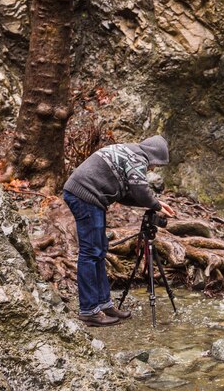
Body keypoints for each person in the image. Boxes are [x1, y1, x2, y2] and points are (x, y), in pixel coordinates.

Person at [63, 135, 176, 327]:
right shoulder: (136, 158)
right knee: (91, 253)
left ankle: (104, 304)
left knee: (99, 252)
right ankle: (89, 310)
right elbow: (140, 190)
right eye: (156, 164)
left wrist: (156, 204)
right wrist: (156, 205)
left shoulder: (129, 152)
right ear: (154, 156)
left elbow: (125, 195)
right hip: (85, 196)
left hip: (90, 197)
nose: (153, 168)